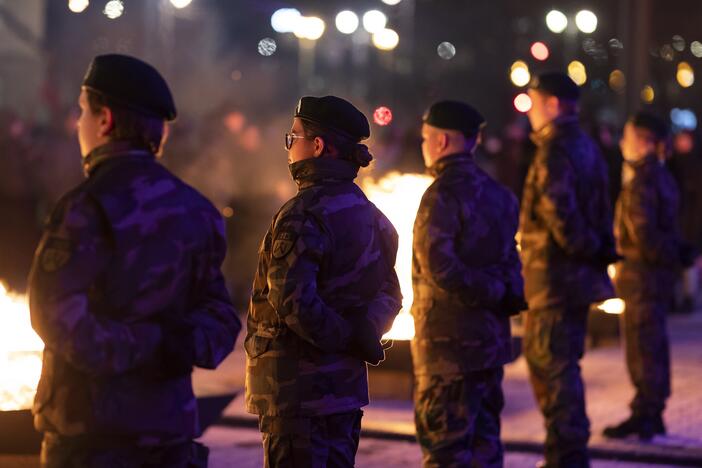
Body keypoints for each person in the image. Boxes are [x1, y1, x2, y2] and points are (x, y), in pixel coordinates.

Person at [28, 54, 241, 467]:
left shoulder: (86, 208)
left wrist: (138, 348)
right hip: (169, 430)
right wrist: (168, 347)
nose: (78, 124)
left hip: (92, 436)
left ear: (104, 120)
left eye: (82, 112)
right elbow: (219, 322)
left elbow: (54, 316)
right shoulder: (196, 210)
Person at [245, 95, 402, 467]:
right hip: (343, 392)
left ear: (317, 147)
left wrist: (345, 339)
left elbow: (294, 301)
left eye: (293, 137)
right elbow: (391, 292)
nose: (288, 146)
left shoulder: (302, 214)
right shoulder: (372, 216)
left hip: (297, 395)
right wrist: (364, 332)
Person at [411, 100, 526, 467]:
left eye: (426, 138)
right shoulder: (500, 194)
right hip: (489, 344)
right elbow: (511, 259)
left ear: (443, 141)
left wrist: (487, 291)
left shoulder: (441, 195)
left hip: (448, 350)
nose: (424, 145)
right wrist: (500, 293)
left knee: (445, 449)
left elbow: (439, 267)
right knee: (485, 446)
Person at [519, 73, 617, 467]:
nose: (531, 112)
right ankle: (566, 450)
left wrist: (585, 251)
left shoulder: (555, 151)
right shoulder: (586, 146)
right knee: (562, 365)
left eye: (535, 102)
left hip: (554, 281)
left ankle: (566, 455)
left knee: (552, 367)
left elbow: (562, 216)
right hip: (572, 280)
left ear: (555, 105)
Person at [603, 112, 697, 440]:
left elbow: (643, 236)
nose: (621, 144)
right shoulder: (663, 176)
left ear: (643, 142)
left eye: (627, 137)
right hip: (654, 278)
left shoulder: (642, 181)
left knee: (643, 347)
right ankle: (649, 411)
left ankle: (646, 413)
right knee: (652, 344)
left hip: (641, 277)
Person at [667, 129, 702, 312]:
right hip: (676, 220)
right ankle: (673, 297)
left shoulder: (695, 166)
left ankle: (688, 297)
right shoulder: (672, 164)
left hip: (689, 222)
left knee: (689, 262)